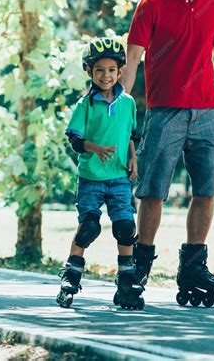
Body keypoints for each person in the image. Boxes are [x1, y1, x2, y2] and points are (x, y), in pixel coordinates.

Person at [121, 0, 214, 308]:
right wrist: (120, 109)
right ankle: (139, 265)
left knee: (208, 189)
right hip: (165, 111)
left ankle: (193, 264)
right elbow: (133, 57)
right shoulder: (152, 2)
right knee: (153, 190)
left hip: (207, 111)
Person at [56, 37, 145, 310]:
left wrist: (133, 160)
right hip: (91, 176)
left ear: (120, 71)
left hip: (119, 176)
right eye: (99, 70)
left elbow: (130, 134)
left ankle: (127, 279)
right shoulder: (85, 105)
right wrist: (94, 147)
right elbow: (74, 140)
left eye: (110, 70)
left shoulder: (128, 102)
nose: (105, 75)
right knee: (89, 227)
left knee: (125, 228)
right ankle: (70, 276)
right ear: (89, 72)